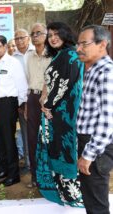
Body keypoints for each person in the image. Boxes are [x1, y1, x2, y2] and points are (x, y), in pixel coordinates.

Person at [36, 22, 84, 207]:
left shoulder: (71, 54)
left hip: (65, 115)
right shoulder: (60, 55)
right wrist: (45, 101)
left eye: (57, 34)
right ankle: (63, 192)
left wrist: (48, 104)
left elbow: (65, 83)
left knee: (66, 150)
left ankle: (73, 194)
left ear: (65, 34)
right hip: (55, 114)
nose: (53, 38)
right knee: (56, 148)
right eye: (50, 35)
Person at [76, 25, 113, 214]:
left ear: (102, 44)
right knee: (90, 198)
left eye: (84, 43)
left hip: (97, 147)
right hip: (89, 142)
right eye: (78, 43)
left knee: (97, 203)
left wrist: (88, 154)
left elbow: (108, 121)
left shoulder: (106, 72)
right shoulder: (93, 70)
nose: (78, 48)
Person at [0, 35, 28, 187]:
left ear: (5, 46)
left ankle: (14, 174)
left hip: (8, 103)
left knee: (8, 140)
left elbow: (22, 86)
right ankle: (4, 169)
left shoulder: (13, 63)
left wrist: (17, 106)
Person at [25, 23, 51, 188]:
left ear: (46, 34)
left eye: (38, 33)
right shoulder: (29, 57)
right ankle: (35, 176)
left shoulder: (53, 55)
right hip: (33, 99)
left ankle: (50, 176)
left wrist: (45, 97)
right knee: (32, 139)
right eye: (33, 33)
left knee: (48, 138)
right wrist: (28, 103)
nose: (35, 36)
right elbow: (29, 81)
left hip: (49, 101)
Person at [13, 29, 35, 171]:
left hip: (37, 99)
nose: (19, 40)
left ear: (28, 38)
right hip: (21, 101)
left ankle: (39, 164)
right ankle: (28, 163)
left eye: (22, 37)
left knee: (38, 133)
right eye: (17, 38)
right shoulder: (13, 57)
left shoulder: (36, 52)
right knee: (26, 133)